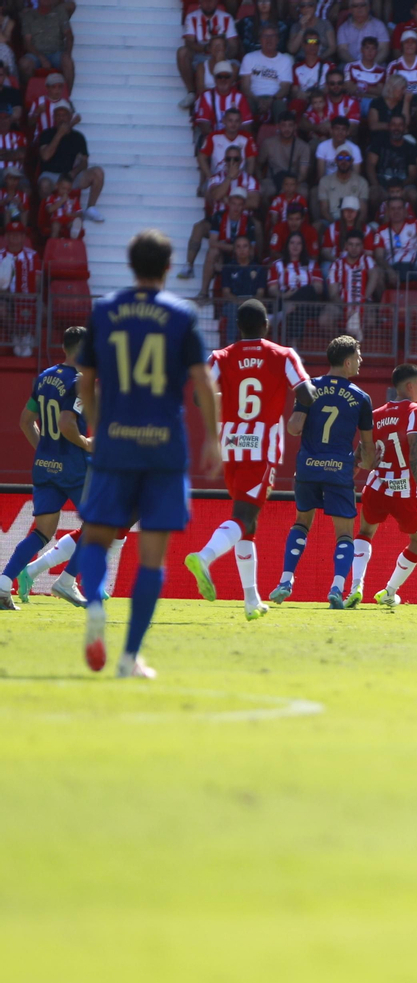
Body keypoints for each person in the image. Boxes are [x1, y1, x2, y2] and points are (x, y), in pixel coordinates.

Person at [74, 231, 222, 677]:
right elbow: (202, 380)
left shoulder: (105, 311)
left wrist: (99, 427)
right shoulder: (180, 314)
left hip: (116, 442)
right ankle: (128, 657)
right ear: (167, 265)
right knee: (151, 556)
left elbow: (85, 381)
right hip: (164, 448)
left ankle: (96, 601)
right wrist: (213, 437)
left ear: (130, 263)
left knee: (97, 536)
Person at [184, 299, 314, 620]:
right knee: (244, 517)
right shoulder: (282, 355)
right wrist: (299, 412)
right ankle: (204, 556)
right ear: (266, 325)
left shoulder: (221, 356)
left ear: (237, 327)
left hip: (231, 445)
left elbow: (200, 396)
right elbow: (307, 393)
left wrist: (228, 397)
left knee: (247, 524)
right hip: (261, 448)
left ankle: (251, 599)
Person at [270, 335, 376, 608]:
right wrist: (366, 462)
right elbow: (367, 450)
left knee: (302, 522)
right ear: (348, 361)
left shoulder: (309, 388)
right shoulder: (361, 398)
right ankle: (337, 588)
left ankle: (285, 580)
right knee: (344, 534)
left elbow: (294, 427)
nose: (361, 362)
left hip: (308, 467)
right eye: (359, 357)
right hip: (338, 471)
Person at [1, 327, 93, 610]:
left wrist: (45, 450)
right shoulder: (79, 381)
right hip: (74, 467)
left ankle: (4, 584)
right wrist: (86, 444)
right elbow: (67, 425)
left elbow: (26, 421)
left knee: (41, 532)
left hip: (45, 466)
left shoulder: (44, 378)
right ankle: (66, 581)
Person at [349, 363, 417, 607]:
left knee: (365, 532)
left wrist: (353, 471)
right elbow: (415, 452)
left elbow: (360, 455)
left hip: (375, 486)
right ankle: (389, 591)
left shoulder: (376, 414)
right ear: (410, 386)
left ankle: (356, 587)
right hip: (404, 490)